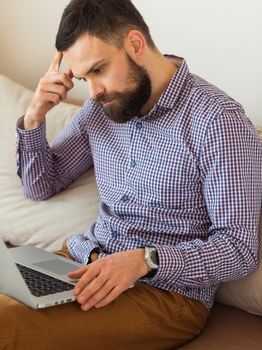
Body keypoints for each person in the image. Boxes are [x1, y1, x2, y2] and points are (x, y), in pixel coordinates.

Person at [1, 0, 261, 349]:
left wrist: (145, 261)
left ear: (135, 44)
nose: (92, 91)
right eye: (83, 78)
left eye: (99, 70)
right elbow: (41, 186)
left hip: (164, 294)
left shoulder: (218, 122)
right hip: (80, 261)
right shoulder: (100, 107)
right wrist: (34, 118)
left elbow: (239, 249)